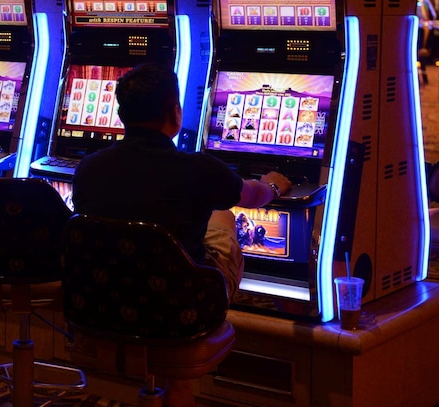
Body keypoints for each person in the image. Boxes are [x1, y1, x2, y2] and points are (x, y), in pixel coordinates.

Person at [72, 63, 291, 407]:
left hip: (102, 301)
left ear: (120, 114)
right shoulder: (199, 169)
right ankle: (179, 380)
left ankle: (171, 382)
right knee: (221, 213)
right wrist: (275, 184)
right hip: (183, 310)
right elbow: (252, 196)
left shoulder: (88, 169)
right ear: (175, 113)